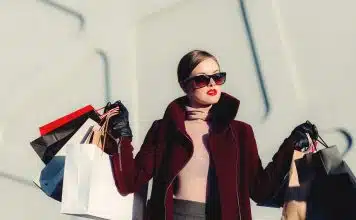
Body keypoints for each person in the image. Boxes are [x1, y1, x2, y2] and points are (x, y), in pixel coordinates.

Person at [105, 50, 318, 220]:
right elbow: (129, 182)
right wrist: (122, 136)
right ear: (184, 84)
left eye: (217, 77)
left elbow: (260, 190)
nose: (212, 84)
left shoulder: (240, 132)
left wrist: (290, 146)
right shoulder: (164, 129)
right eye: (201, 79)